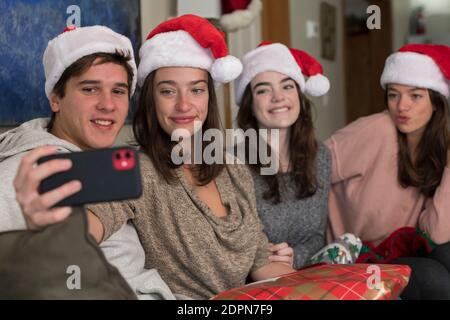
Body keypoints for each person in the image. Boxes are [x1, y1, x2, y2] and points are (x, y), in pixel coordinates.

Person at [81, 15, 295, 299]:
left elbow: (261, 263)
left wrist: (320, 285)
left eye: (196, 90)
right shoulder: (133, 169)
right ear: (150, 100)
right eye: (168, 91)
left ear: (209, 97)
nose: (184, 104)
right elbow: (81, 232)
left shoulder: (234, 171)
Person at [0, 25, 175, 299]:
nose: (108, 104)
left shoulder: (108, 167)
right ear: (55, 98)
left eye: (118, 91)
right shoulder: (26, 171)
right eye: (90, 89)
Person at [325, 44, 450, 299]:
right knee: (435, 280)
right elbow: (312, 167)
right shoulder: (377, 129)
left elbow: (435, 233)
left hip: (400, 252)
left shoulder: (438, 146)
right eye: (394, 95)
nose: (401, 106)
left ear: (436, 102)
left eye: (415, 96)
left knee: (447, 254)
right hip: (353, 257)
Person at [234, 42, 331, 269]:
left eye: (287, 86)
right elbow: (233, 244)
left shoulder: (321, 156)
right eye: (263, 90)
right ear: (250, 104)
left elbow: (318, 235)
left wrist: (292, 257)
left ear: (299, 95)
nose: (278, 97)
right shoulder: (232, 162)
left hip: (306, 276)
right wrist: (265, 258)